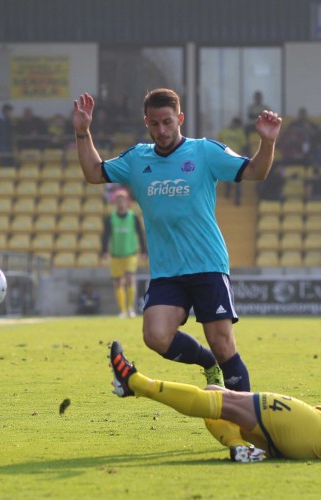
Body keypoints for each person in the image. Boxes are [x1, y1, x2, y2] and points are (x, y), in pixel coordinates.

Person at [73, 88, 282, 392]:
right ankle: (206, 363)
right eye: (155, 124)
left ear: (180, 118)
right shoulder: (137, 159)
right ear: (146, 122)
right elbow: (94, 172)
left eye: (168, 122)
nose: (162, 130)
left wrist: (268, 141)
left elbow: (256, 172)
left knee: (224, 346)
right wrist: (82, 132)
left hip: (207, 264)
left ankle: (248, 423)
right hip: (167, 271)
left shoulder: (205, 152)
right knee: (155, 336)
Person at [108, 340, 321, 462]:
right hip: (306, 433)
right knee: (214, 398)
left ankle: (135, 382)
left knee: (226, 401)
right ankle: (241, 449)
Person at [101, 189, 147, 318]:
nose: (121, 203)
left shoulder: (134, 217)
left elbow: (140, 234)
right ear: (116, 202)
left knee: (130, 279)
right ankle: (122, 310)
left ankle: (130, 308)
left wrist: (144, 250)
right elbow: (105, 235)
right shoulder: (110, 218)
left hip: (130, 253)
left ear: (128, 202)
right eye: (119, 200)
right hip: (115, 254)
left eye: (123, 200)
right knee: (118, 282)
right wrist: (104, 251)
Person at [218, 117, 248, 205]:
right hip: (225, 157)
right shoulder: (224, 131)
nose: (236, 127)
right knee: (226, 175)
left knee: (238, 177)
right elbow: (219, 143)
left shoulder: (240, 132)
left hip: (236, 157)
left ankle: (237, 198)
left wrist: (241, 156)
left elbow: (244, 145)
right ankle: (228, 192)